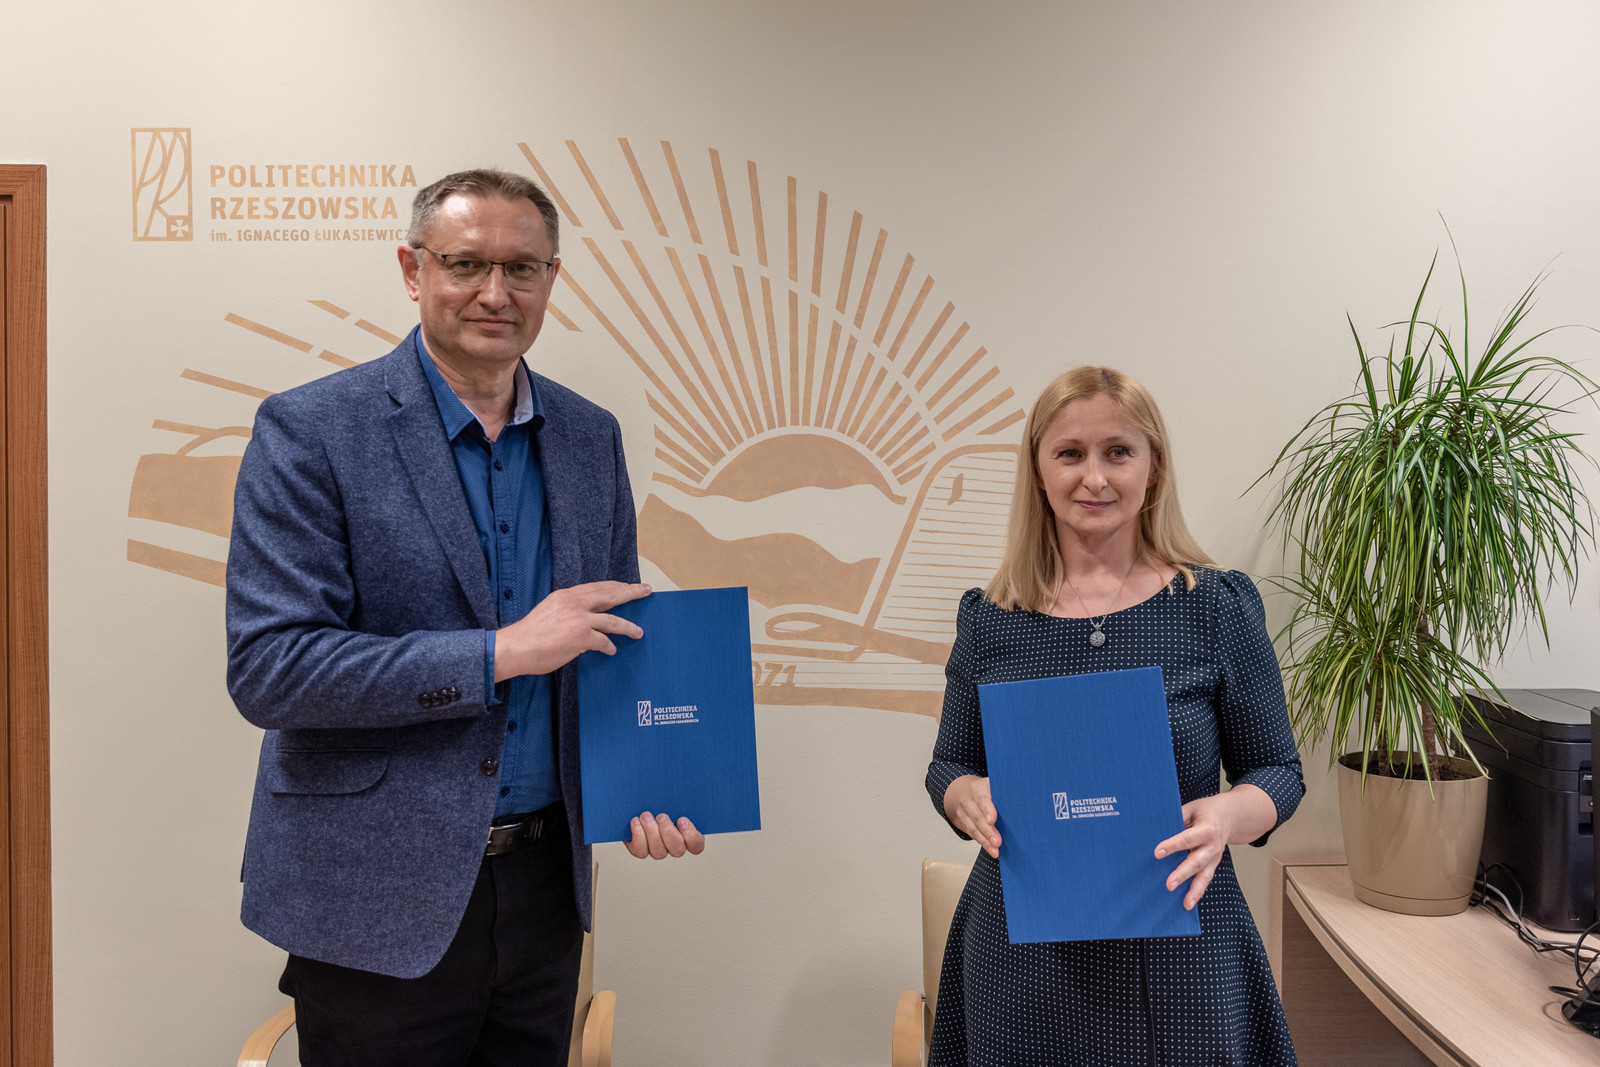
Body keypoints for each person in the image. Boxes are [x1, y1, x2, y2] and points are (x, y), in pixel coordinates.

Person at [226, 168, 704, 1067]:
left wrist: (653, 783)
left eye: (522, 268)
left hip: (544, 891)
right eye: (466, 263)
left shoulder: (589, 435)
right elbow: (272, 669)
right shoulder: (313, 429)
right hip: (372, 894)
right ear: (413, 270)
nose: (496, 292)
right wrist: (501, 653)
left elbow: (614, 640)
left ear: (551, 280)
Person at [926, 366, 1304, 1066]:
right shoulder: (991, 619)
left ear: (1153, 467)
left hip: (1183, 943)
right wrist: (964, 795)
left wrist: (1226, 817)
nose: (1094, 477)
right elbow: (949, 764)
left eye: (1118, 452)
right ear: (1038, 471)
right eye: (1070, 453)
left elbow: (1278, 771)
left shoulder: (1214, 606)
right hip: (1022, 957)